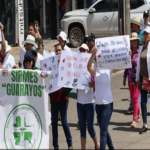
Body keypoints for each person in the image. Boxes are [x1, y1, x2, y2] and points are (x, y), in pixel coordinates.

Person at [87, 48, 115, 150]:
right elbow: (88, 66)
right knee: (104, 129)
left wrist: (127, 56)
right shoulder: (95, 68)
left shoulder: (109, 68)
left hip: (107, 104)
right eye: (98, 56)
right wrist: (93, 54)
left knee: (102, 131)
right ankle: (111, 148)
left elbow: (119, 66)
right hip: (98, 104)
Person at [49, 44, 74, 150]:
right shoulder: (50, 64)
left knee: (64, 122)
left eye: (60, 50)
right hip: (54, 98)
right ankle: (55, 146)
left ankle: (70, 144)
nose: (58, 52)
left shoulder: (67, 64)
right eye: (57, 51)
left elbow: (71, 77)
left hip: (63, 97)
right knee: (54, 123)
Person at [76, 43, 99, 150]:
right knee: (82, 128)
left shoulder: (92, 66)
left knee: (90, 128)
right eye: (80, 50)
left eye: (84, 50)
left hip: (90, 102)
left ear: (87, 52)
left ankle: (96, 144)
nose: (82, 52)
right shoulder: (75, 66)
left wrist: (93, 84)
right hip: (80, 102)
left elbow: (98, 81)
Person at [126, 16, 144, 114]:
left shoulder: (140, 36)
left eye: (133, 24)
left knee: (136, 93)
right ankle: (135, 108)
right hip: (132, 67)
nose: (132, 25)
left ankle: (136, 112)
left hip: (139, 64)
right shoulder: (136, 34)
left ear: (136, 25)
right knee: (133, 92)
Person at [123, 32, 141, 128]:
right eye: (132, 41)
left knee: (134, 98)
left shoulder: (139, 52)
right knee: (134, 99)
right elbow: (126, 66)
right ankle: (139, 112)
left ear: (137, 42)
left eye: (135, 40)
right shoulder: (129, 53)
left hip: (137, 79)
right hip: (130, 79)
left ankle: (134, 120)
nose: (134, 42)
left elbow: (138, 66)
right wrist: (124, 77)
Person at [136, 26, 150, 134]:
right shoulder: (141, 47)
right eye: (145, 33)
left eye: (148, 33)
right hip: (143, 77)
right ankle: (145, 124)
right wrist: (137, 78)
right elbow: (139, 65)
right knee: (143, 101)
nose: (146, 35)